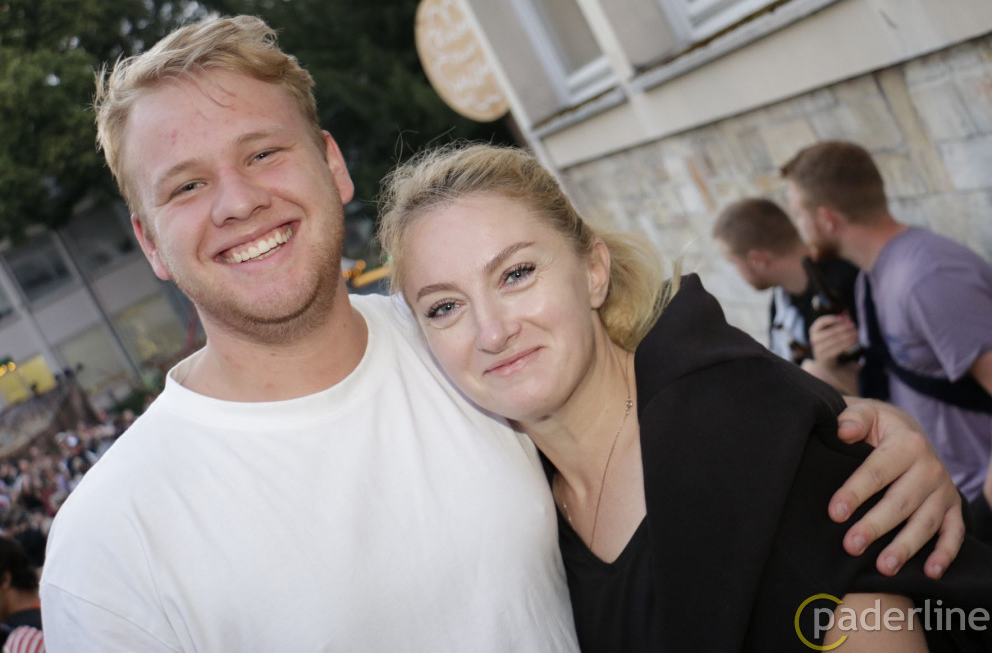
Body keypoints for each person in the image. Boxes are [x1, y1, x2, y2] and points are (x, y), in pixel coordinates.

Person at [39, 16, 967, 650]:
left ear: (332, 166)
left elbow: (699, 437)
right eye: (187, 185)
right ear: (148, 242)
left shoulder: (459, 350)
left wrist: (855, 432)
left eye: (263, 151)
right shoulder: (111, 544)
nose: (239, 201)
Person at [378, 142, 992, 651]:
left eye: (516, 274)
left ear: (593, 271)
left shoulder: (743, 424)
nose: (492, 331)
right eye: (445, 307)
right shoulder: (514, 502)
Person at [783, 141, 992, 536]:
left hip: (978, 503)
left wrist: (982, 518)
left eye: (798, 213)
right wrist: (828, 366)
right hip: (946, 499)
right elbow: (907, 384)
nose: (798, 228)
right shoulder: (873, 277)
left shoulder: (928, 277)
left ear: (826, 218)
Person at [712, 197, 859, 391]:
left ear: (758, 259)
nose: (736, 273)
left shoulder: (846, 283)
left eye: (733, 263)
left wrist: (824, 367)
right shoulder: (781, 299)